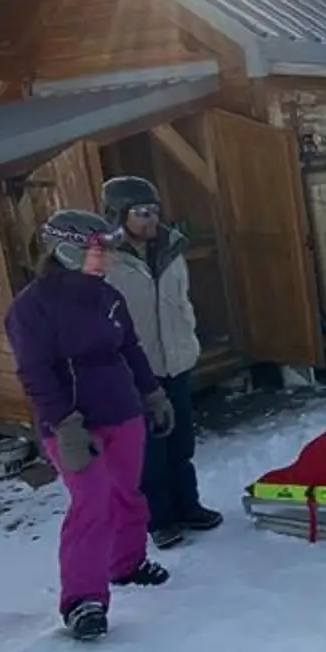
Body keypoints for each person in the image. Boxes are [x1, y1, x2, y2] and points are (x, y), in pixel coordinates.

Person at [4, 209, 175, 640]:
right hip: (74, 425)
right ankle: (83, 600)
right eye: (100, 250)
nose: (109, 258)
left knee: (127, 495)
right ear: (67, 250)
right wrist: (64, 425)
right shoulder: (31, 308)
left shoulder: (107, 296)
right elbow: (35, 373)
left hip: (122, 410)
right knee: (91, 506)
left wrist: (152, 393)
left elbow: (130, 348)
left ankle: (127, 563)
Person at [99, 175, 222, 550]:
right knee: (149, 449)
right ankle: (159, 519)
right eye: (141, 212)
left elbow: (181, 300)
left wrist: (189, 340)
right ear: (118, 215)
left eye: (154, 211)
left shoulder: (171, 248)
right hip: (136, 368)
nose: (151, 220)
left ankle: (188, 505)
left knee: (181, 440)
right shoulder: (102, 260)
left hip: (176, 359)